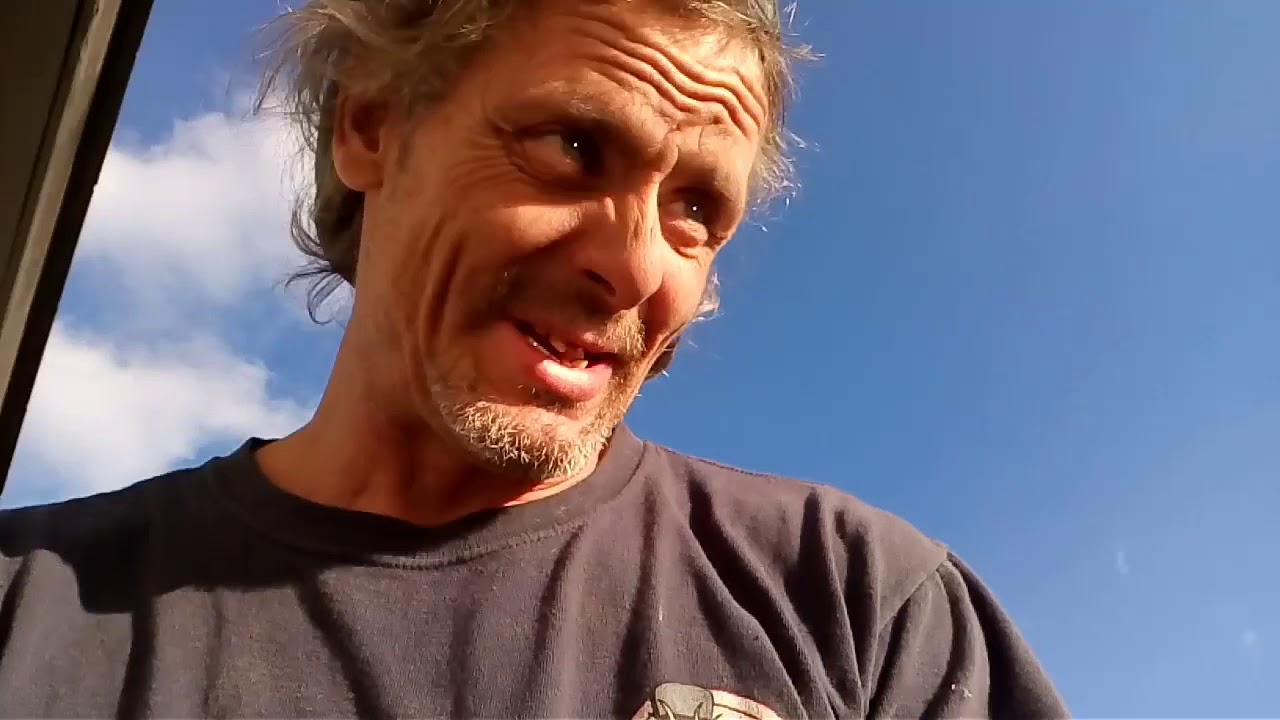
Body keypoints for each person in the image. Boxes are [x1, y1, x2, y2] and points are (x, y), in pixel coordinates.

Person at [0, 0, 1068, 717]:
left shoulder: (859, 606)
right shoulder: (25, 612)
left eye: (698, 209)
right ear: (372, 123)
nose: (634, 265)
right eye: (572, 147)